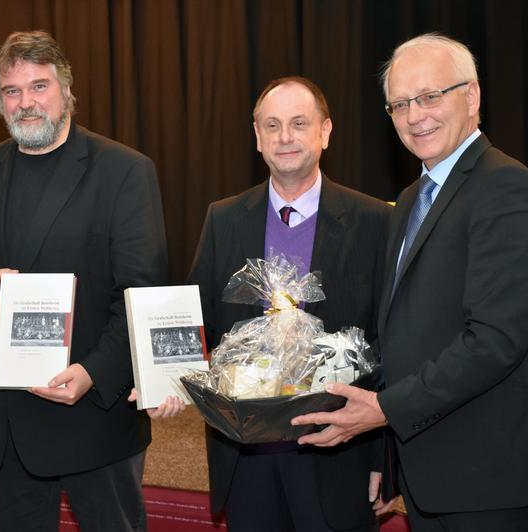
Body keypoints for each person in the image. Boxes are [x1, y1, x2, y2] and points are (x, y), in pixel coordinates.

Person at [292, 33, 528, 530]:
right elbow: (403, 335)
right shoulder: (409, 201)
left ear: (471, 97)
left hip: (488, 480)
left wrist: (384, 410)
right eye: (400, 104)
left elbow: (494, 341)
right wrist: (386, 451)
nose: (415, 115)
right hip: (427, 472)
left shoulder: (506, 187)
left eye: (430, 96)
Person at [0, 30, 167, 531]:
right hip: (7, 420)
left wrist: (94, 373)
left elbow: (140, 293)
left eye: (39, 86)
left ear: (66, 91)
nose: (27, 102)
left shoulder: (124, 171)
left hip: (93, 415)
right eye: (12, 91)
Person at [187, 76, 391, 531]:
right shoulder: (223, 218)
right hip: (247, 455)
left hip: (340, 451)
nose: (285, 137)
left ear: (325, 132)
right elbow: (194, 321)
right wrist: (162, 376)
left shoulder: (376, 220)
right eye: (272, 125)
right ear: (257, 137)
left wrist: (384, 456)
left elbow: (390, 342)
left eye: (299, 123)